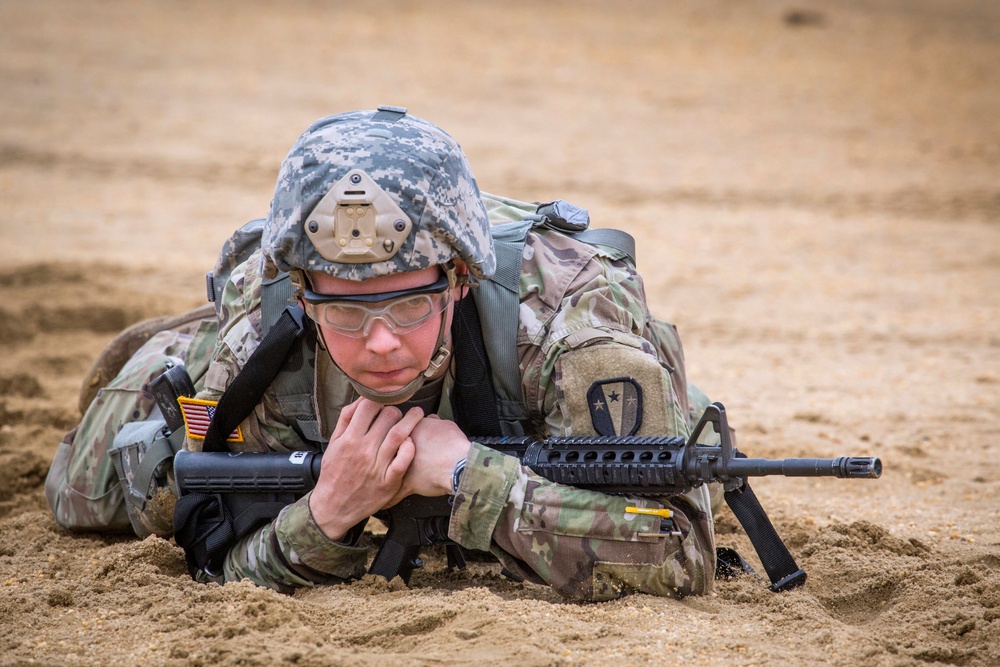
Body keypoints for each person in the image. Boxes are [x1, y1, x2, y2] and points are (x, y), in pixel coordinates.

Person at [45, 107, 716, 601]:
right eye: (346, 310)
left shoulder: (569, 324)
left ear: (459, 280)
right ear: (305, 298)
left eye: (408, 305)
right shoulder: (265, 330)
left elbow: (681, 551)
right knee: (90, 491)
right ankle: (171, 337)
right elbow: (213, 558)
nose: (382, 341)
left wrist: (472, 479)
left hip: (550, 363)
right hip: (233, 355)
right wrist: (326, 513)